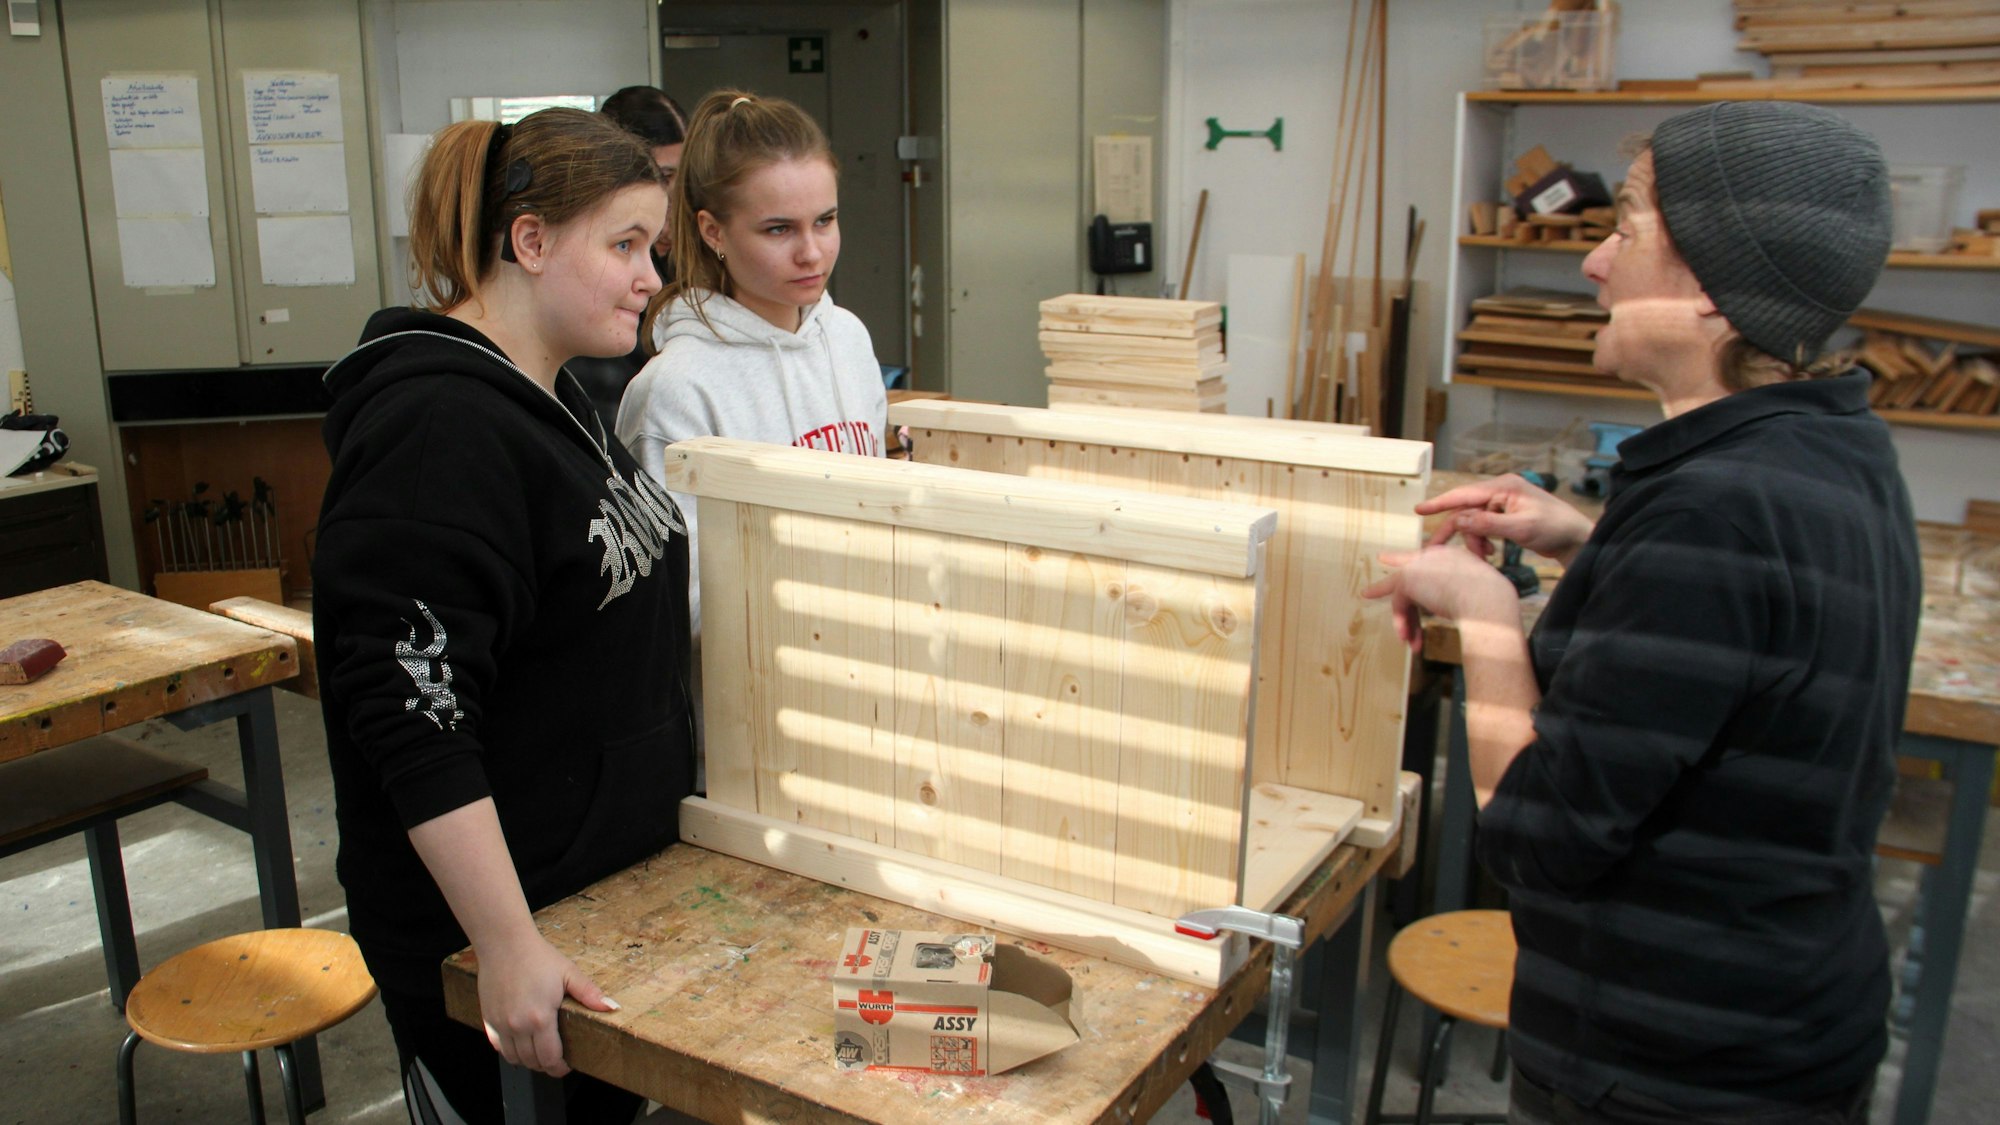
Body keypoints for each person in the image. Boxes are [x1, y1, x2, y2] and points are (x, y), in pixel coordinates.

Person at [1366, 102, 1920, 1123]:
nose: (1593, 263)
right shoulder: (1827, 443)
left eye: (1624, 229)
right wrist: (1589, 545)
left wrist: (1483, 615)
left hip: (1675, 1070)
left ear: (1709, 286)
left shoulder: (1711, 511)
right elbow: (1744, 643)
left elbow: (1536, 835)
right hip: (1782, 1017)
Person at [314, 107, 693, 1124]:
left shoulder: (552, 394)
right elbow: (412, 713)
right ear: (529, 241)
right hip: (498, 937)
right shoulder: (436, 428)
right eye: (624, 245)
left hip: (599, 900)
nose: (650, 277)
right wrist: (507, 945)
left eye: (652, 248)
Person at [616, 88, 886, 638]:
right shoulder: (676, 389)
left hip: (869, 656)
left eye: (825, 220)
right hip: (760, 676)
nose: (812, 252)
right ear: (713, 231)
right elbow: (682, 603)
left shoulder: (848, 338)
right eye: (779, 229)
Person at [569, 85, 690, 430]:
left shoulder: (689, 256)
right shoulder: (593, 268)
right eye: (662, 176)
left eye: (682, 175)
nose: (674, 195)